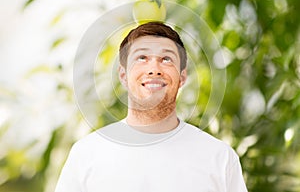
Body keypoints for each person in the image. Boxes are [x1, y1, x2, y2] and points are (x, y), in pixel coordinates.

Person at [55, 22, 248, 192]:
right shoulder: (87, 154)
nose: (154, 69)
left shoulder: (220, 158)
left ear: (182, 77)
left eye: (166, 59)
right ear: (123, 75)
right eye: (142, 58)